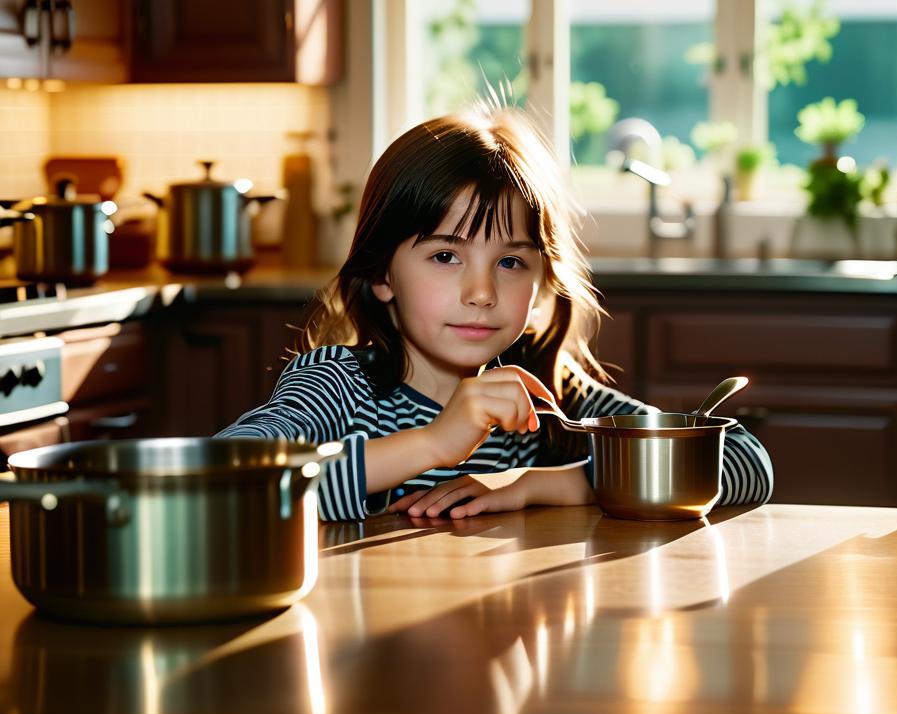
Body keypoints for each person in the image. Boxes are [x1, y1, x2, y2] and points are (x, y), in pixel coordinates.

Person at [217, 106, 772, 521]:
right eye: (444, 256)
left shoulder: (549, 394)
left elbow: (745, 463)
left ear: (540, 280)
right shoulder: (336, 385)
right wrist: (436, 442)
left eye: (510, 261)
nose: (481, 291)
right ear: (383, 275)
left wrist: (539, 484)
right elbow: (226, 480)